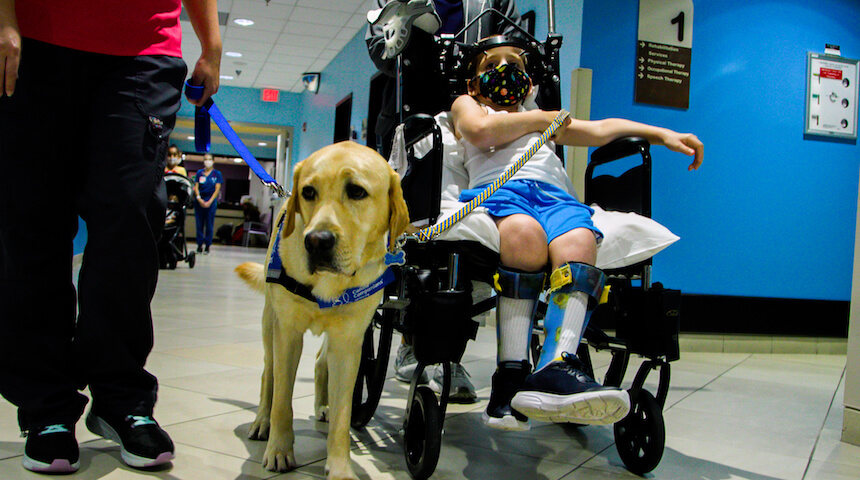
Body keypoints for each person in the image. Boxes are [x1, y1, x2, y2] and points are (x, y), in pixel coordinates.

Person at [0, 0, 221, 474]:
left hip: (143, 49)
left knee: (131, 217)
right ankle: (47, 409)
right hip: (38, 40)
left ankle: (121, 398)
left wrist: (211, 42)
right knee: (34, 224)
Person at [449, 37, 703, 431]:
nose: (504, 70)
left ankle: (557, 364)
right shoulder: (471, 106)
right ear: (472, 83)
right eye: (492, 64)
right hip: (504, 193)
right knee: (522, 235)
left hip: (558, 201)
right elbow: (480, 132)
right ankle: (510, 377)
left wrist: (661, 133)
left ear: (529, 81)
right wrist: (541, 119)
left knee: (582, 241)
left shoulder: (543, 119)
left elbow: (601, 129)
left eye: (514, 64)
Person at [366, 0, 523, 405]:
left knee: (469, 236)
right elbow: (377, 46)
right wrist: (412, 40)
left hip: (480, 114)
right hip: (415, 111)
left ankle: (448, 352)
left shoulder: (494, 2)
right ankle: (410, 340)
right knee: (421, 231)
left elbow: (515, 37)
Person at [193, 153, 222, 255]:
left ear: (213, 161)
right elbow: (196, 187)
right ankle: (199, 245)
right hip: (199, 201)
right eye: (205, 159)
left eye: (209, 159)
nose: (207, 161)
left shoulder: (216, 174)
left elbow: (217, 189)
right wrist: (199, 199)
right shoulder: (199, 173)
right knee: (199, 224)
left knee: (209, 224)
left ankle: (207, 246)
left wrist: (209, 201)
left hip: (211, 201)